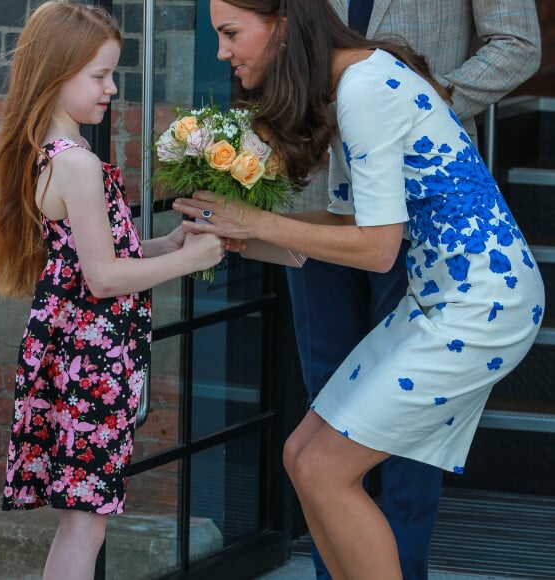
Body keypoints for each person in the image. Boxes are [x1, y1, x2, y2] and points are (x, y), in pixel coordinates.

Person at [172, 1, 545, 578]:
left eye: (230, 34)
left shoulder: (365, 87)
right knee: (301, 456)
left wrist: (260, 222)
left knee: (325, 469)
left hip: (479, 307)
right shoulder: (352, 80)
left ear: (284, 29)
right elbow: (350, 223)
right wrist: (239, 229)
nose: (222, 53)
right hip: (437, 299)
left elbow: (376, 250)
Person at [284, 0, 542, 578]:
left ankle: (404, 567)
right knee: (322, 421)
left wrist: (419, 101)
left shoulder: (376, 85)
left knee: (399, 430)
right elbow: (271, 37)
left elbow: (518, 43)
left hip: (422, 213)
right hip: (315, 196)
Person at [0, 2, 224, 579]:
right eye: (100, 75)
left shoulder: (50, 155)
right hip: (92, 359)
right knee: (86, 523)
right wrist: (192, 260)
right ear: (56, 73)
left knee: (81, 522)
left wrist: (168, 242)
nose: (112, 88)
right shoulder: (78, 165)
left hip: (71, 353)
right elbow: (105, 278)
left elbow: (90, 260)